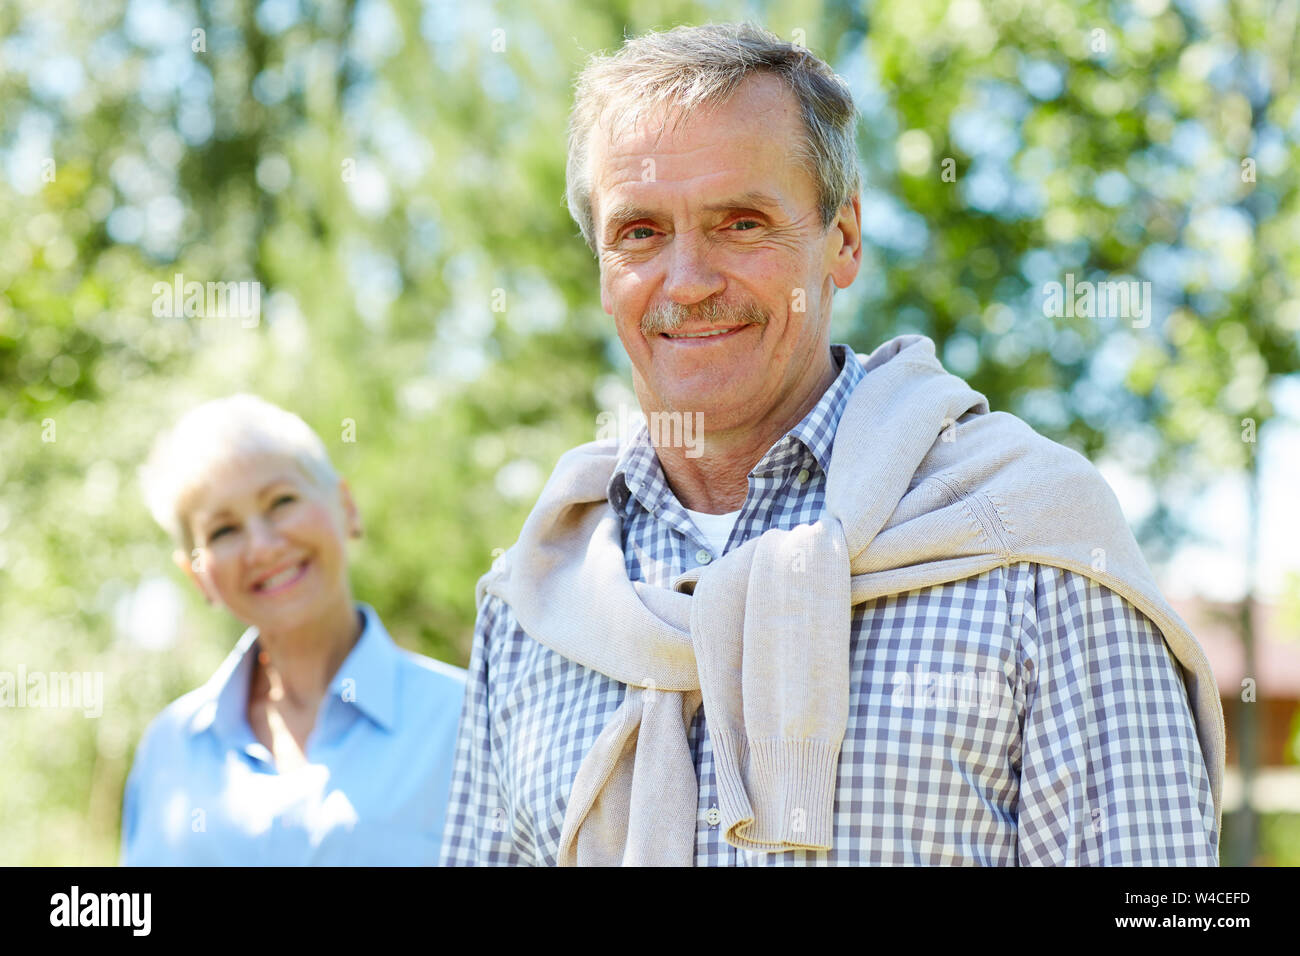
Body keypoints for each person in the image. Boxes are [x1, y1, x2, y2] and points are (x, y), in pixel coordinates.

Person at [441, 22, 1224, 866]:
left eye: (741, 223)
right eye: (640, 232)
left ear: (843, 239)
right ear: (602, 264)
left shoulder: (1036, 544)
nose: (689, 281)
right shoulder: (535, 595)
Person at [122, 394, 465, 865]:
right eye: (223, 531)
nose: (262, 547)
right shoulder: (167, 750)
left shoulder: (468, 722)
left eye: (281, 501)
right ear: (198, 574)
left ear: (347, 507)